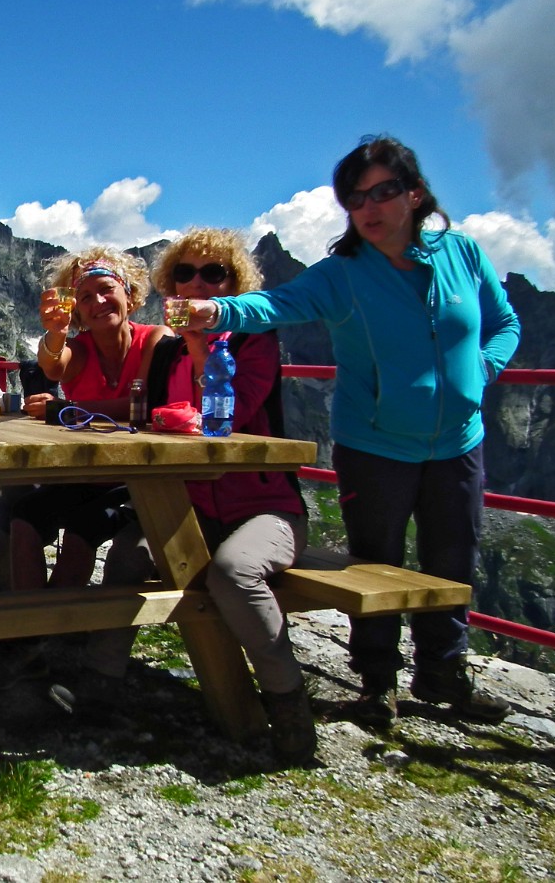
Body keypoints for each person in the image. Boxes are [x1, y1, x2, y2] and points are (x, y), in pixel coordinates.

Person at [184, 136, 521, 727]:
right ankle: (377, 683)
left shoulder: (463, 253)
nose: (369, 207)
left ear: (415, 194)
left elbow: (504, 323)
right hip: (375, 444)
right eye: (356, 198)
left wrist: (482, 369)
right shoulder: (343, 274)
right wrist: (221, 312)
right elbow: (276, 304)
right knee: (375, 563)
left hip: (459, 441)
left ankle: (444, 673)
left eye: (383, 192)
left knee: (452, 559)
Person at [53, 229, 315, 762]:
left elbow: (229, 421)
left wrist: (202, 345)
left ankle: (287, 704)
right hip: (191, 504)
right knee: (127, 554)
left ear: (235, 285)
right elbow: (155, 419)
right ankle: (101, 682)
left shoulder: (255, 341)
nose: (197, 284)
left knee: (233, 571)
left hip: (264, 506)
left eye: (212, 275)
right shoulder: (169, 354)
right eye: (184, 274)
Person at [0, 247, 171, 691]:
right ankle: (35, 636)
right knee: (24, 519)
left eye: (106, 291)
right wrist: (55, 333)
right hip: (84, 475)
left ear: (131, 295)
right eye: (85, 298)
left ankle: (45, 638)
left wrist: (69, 407)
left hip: (137, 480)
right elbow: (52, 364)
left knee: (80, 535)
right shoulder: (78, 347)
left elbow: (144, 408)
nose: (97, 303)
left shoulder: (154, 339)